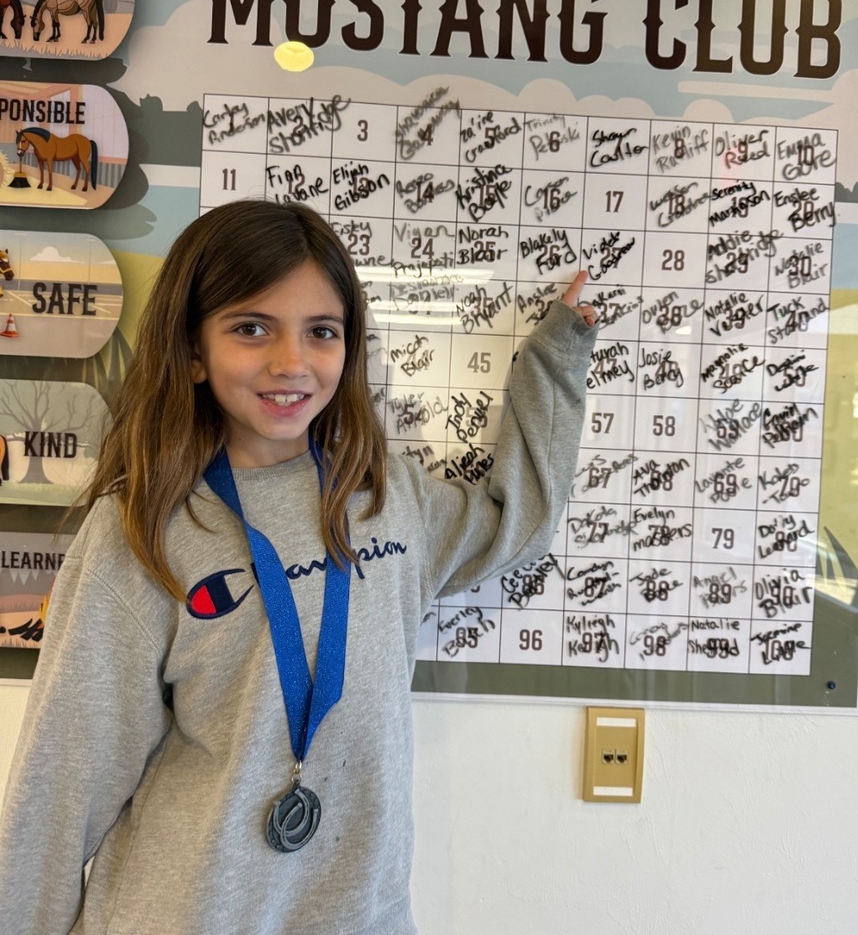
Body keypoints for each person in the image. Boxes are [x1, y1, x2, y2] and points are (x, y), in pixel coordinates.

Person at [0, 199, 598, 935]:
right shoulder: (142, 531)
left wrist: (557, 358)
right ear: (192, 350)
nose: (291, 362)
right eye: (252, 328)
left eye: (322, 332)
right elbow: (61, 790)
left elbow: (518, 522)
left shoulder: (392, 503)